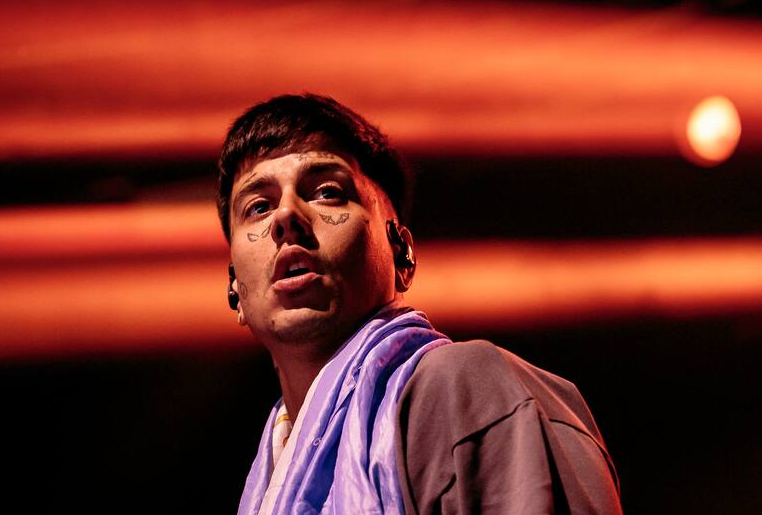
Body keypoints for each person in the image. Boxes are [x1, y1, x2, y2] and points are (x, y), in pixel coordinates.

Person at [218, 94, 622, 514]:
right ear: (234, 289)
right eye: (258, 206)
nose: (286, 215)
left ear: (401, 254)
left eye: (326, 192)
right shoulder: (271, 473)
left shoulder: (464, 390)